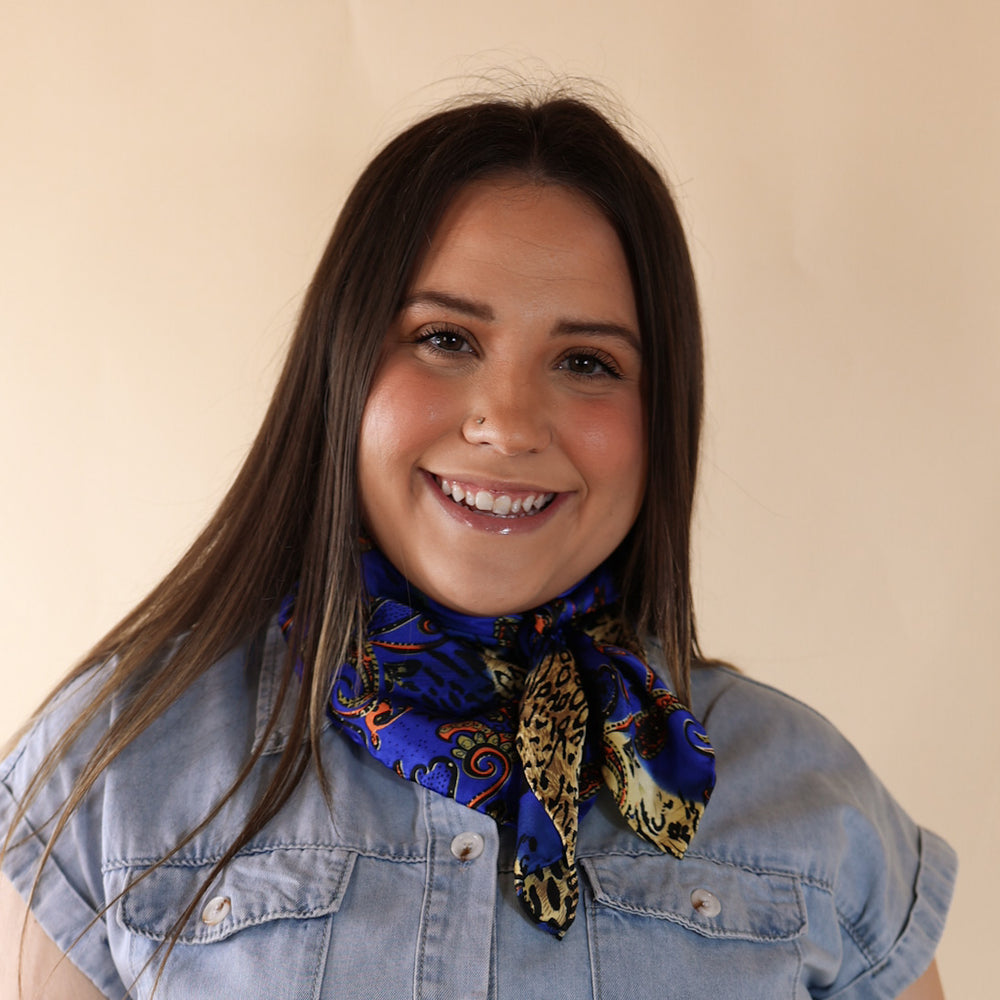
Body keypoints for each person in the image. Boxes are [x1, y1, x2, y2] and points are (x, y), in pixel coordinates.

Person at [1, 91, 955, 999]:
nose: (507, 422)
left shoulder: (815, 808)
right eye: (446, 338)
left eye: (587, 362)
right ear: (342, 374)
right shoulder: (123, 766)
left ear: (662, 417)